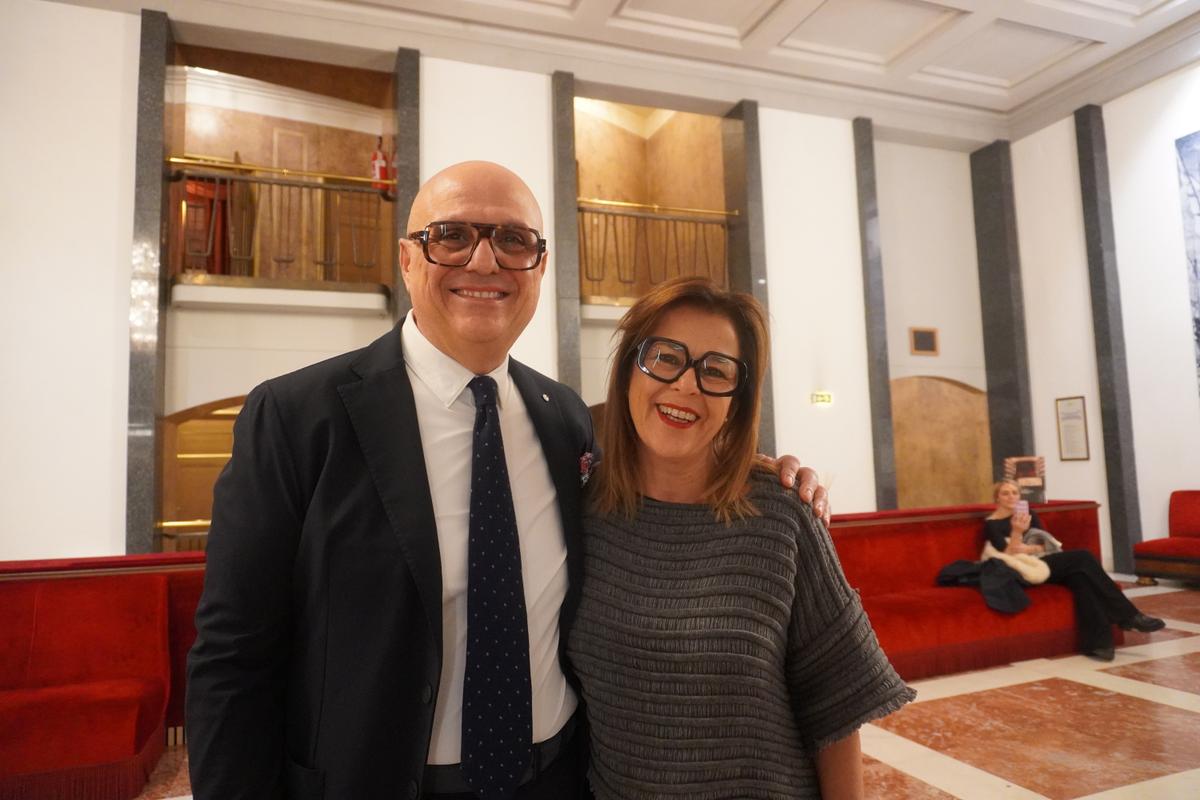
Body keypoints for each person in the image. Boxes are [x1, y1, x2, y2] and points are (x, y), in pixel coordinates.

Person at [186, 161, 827, 800]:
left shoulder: (564, 418)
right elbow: (233, 655)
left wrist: (764, 471)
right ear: (407, 259)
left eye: (514, 240)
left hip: (557, 780)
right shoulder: (298, 416)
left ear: (540, 269)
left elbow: (657, 474)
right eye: (451, 236)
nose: (485, 260)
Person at [567, 277, 914, 799]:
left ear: (738, 399)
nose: (687, 385)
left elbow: (835, 708)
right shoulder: (581, 509)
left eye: (716, 370)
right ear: (629, 369)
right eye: (666, 357)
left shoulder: (781, 515)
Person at [985, 479, 1164, 661]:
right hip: (1025, 568)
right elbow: (1010, 554)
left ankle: (1099, 645)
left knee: (1081, 580)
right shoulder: (992, 523)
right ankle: (1128, 615)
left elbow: (1047, 544)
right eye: (1005, 493)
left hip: (1042, 559)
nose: (1011, 497)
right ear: (997, 498)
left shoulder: (1028, 513)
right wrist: (1017, 531)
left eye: (1015, 493)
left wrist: (1029, 548)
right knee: (1083, 557)